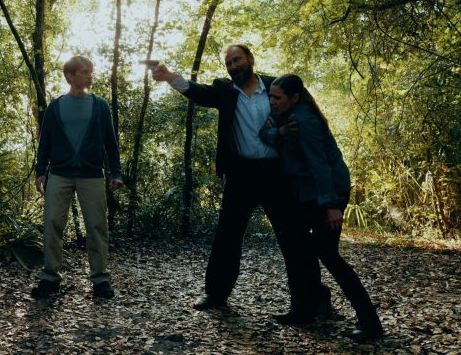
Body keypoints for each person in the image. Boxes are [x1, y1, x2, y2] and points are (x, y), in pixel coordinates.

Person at [151, 45, 328, 316]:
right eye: (229, 62)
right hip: (241, 174)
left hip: (277, 173)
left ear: (250, 60)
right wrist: (169, 76)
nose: (233, 66)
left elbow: (306, 112)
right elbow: (196, 91)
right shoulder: (224, 91)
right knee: (227, 235)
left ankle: (310, 300)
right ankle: (216, 293)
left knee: (294, 236)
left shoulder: (273, 86)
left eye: (237, 60)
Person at [260, 73, 383, 341]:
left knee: (328, 254)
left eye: (276, 97)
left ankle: (370, 321)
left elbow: (320, 165)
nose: (271, 102)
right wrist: (276, 131)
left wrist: (331, 206)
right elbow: (264, 134)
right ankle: (307, 308)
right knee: (298, 246)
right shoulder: (285, 115)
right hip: (307, 194)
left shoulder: (304, 120)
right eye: (270, 96)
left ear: (294, 98)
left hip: (328, 193)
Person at [30, 56, 124, 299]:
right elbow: (45, 141)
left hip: (91, 175)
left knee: (96, 226)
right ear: (70, 76)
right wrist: (40, 171)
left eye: (90, 72)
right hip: (59, 174)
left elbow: (110, 142)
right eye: (84, 72)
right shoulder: (55, 106)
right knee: (52, 224)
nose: (89, 76)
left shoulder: (100, 106)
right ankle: (50, 278)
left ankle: (100, 280)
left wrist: (116, 172)